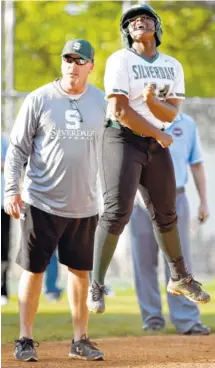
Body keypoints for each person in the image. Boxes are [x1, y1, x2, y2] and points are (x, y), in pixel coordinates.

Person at [87, 4, 210, 314]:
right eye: (131, 21)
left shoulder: (172, 65)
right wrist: (157, 133)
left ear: (156, 26)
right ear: (127, 32)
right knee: (117, 211)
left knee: (167, 214)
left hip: (155, 139)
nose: (138, 22)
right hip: (121, 138)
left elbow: (171, 112)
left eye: (144, 18)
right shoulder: (121, 60)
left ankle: (180, 278)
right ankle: (97, 285)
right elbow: (119, 110)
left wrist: (154, 102)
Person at [4, 38, 106, 362]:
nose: (72, 66)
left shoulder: (102, 102)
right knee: (33, 270)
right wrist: (11, 190)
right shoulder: (40, 99)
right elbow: (17, 150)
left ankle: (80, 340)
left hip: (85, 203)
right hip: (42, 201)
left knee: (80, 272)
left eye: (79, 60)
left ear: (91, 66)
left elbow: (115, 147)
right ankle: (25, 339)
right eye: (67, 59)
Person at [128, 112, 210, 335]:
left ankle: (187, 320)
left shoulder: (188, 124)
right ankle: (152, 318)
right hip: (140, 202)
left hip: (176, 198)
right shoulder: (135, 118)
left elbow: (197, 165)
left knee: (180, 262)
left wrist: (204, 202)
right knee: (143, 262)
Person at [1, 133, 11, 306]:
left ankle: (3, 290)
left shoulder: (4, 140)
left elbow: (14, 163)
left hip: (2, 205)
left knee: (3, 250)